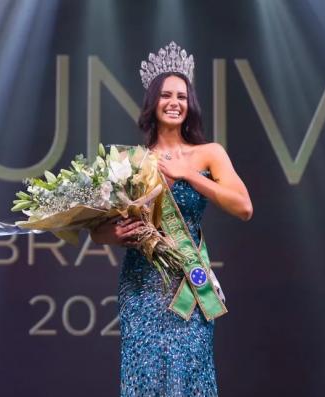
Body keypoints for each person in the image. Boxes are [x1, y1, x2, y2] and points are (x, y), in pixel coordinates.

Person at [90, 41, 252, 396]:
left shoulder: (209, 154)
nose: (174, 102)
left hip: (189, 287)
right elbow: (97, 231)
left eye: (181, 96)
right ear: (153, 102)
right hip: (142, 284)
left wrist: (190, 175)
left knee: (189, 371)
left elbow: (243, 207)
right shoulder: (131, 161)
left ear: (190, 104)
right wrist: (114, 234)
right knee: (145, 375)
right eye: (165, 95)